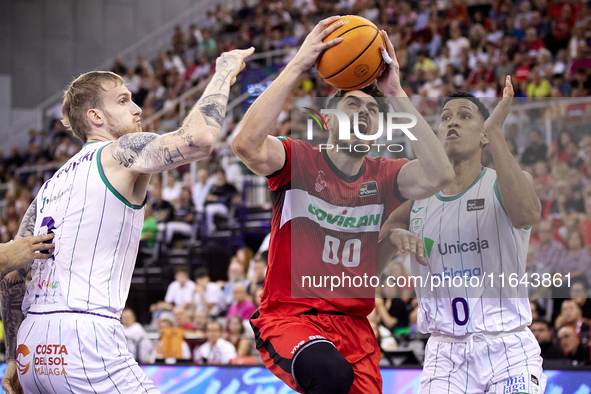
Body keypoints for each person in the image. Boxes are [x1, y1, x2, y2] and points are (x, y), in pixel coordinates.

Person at [0, 47, 253, 394]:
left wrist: (14, 357)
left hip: (33, 347)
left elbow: (12, 277)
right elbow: (200, 139)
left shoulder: (47, 186)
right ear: (96, 117)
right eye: (123, 101)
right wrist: (224, 71)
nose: (136, 109)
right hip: (84, 337)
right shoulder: (119, 151)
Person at [231, 16, 454, 394]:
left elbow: (439, 176)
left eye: (372, 112)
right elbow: (246, 145)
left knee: (341, 376)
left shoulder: (384, 175)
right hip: (291, 317)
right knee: (331, 375)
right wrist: (300, 63)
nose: (364, 114)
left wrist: (397, 94)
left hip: (355, 327)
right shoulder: (298, 160)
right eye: (353, 106)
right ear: (329, 122)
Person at [381, 78, 546, 393]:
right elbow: (377, 244)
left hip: (508, 345)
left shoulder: (505, 183)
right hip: (445, 353)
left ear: (484, 134)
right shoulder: (416, 202)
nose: (452, 122)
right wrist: (394, 236)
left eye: (465, 116)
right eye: (445, 118)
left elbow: (526, 214)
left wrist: (497, 131)